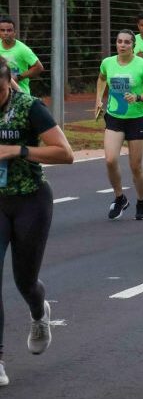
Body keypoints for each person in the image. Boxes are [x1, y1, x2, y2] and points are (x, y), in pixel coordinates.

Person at [0, 57, 73, 387]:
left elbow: (65, 153)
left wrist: (18, 150)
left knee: (24, 280)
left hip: (30, 199)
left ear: (9, 83)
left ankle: (38, 311)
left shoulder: (28, 107)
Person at [96, 29, 143, 220]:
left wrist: (137, 97)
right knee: (110, 160)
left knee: (135, 166)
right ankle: (120, 197)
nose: (122, 45)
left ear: (133, 45)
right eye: (119, 41)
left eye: (127, 42)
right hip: (115, 116)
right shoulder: (108, 63)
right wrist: (98, 99)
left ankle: (141, 201)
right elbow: (101, 78)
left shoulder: (142, 66)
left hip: (137, 118)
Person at [0, 17, 43, 95]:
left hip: (20, 94)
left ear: (14, 32)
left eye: (9, 30)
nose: (5, 33)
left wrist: (18, 77)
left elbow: (39, 67)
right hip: (3, 94)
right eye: (2, 30)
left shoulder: (23, 49)